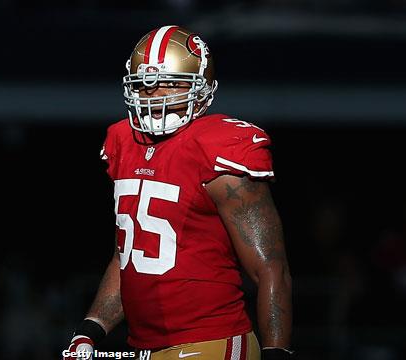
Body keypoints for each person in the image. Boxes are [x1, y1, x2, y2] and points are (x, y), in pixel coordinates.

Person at [64, 25, 293, 360]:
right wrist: (90, 329)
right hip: (143, 347)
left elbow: (270, 266)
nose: (157, 95)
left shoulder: (220, 147)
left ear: (201, 90)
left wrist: (277, 351)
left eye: (171, 84)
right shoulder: (124, 141)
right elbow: (130, 256)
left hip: (212, 342)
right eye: (147, 85)